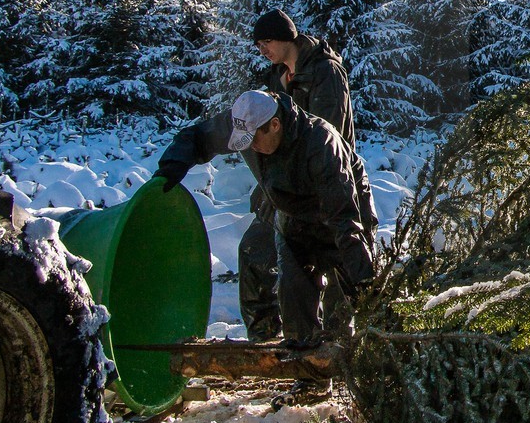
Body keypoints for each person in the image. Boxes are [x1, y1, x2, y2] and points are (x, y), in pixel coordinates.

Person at [154, 90, 374, 348]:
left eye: (254, 140)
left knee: (347, 291)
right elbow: (199, 136)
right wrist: (169, 169)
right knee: (293, 288)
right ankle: (305, 370)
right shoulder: (245, 121)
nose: (250, 147)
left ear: (275, 125)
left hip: (342, 210)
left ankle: (350, 356)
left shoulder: (321, 143)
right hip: (292, 214)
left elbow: (345, 221)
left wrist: (365, 284)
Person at [239, 9, 377, 340]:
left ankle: (337, 359)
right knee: (260, 253)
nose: (262, 49)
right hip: (289, 188)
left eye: (267, 41)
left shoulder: (325, 73)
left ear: (287, 37)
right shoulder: (276, 78)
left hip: (331, 183)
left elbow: (331, 138)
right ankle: (269, 343)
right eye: (258, 44)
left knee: (338, 281)